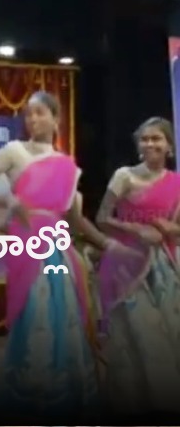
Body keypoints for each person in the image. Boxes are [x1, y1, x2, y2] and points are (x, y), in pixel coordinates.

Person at [0, 91, 123, 418]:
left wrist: (107, 244)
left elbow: (74, 218)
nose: (33, 120)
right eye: (29, 115)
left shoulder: (67, 166)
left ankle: (63, 394)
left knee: (63, 310)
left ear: (56, 119)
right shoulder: (14, 151)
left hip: (59, 248)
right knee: (35, 310)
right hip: (26, 244)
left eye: (40, 114)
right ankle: (30, 394)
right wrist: (9, 203)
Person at [96, 117, 180, 415]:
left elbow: (177, 228)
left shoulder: (177, 182)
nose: (149, 144)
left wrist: (169, 229)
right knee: (137, 336)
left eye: (156, 138)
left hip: (166, 268)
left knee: (168, 338)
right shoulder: (124, 176)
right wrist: (137, 231)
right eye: (144, 139)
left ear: (169, 145)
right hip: (127, 266)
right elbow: (102, 219)